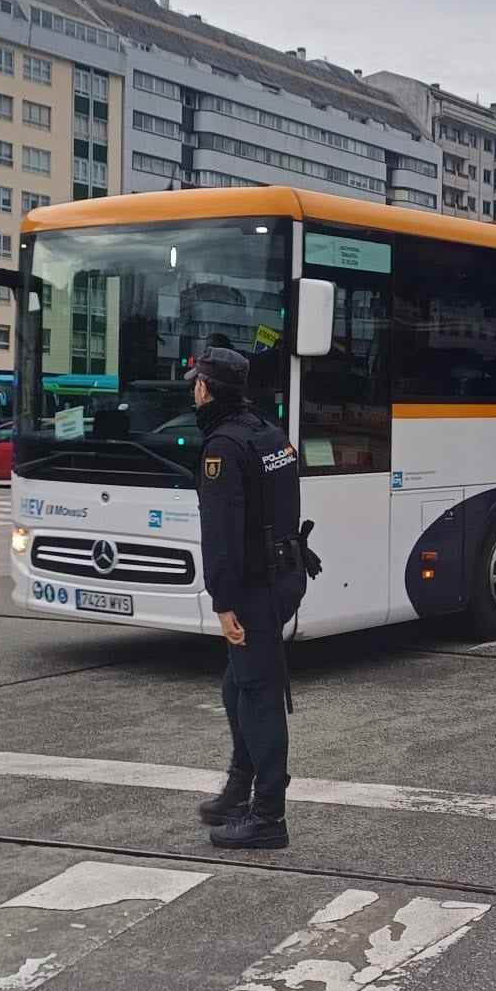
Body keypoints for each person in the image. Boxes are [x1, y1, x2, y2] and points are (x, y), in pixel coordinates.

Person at [190, 346, 312, 852]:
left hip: (256, 585)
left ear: (205, 388)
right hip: (286, 571)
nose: (192, 388)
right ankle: (240, 789)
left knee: (259, 696)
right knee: (236, 685)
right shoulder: (268, 431)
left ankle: (268, 816)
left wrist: (223, 600)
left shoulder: (224, 446)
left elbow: (221, 531)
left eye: (195, 380)